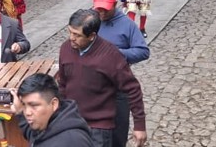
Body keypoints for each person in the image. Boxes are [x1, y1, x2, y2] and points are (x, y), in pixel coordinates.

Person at [57, 9, 148, 147]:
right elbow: (63, 84)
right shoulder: (65, 48)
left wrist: (139, 125)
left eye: (77, 35)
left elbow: (132, 89)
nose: (71, 38)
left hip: (98, 128)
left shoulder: (110, 55)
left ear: (92, 36)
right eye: (70, 32)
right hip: (72, 122)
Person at [92, 0, 150, 147]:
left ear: (115, 4)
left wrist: (117, 54)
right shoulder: (91, 20)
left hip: (118, 89)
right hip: (94, 88)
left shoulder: (127, 25)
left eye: (106, 9)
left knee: (117, 136)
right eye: (99, 9)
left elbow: (143, 51)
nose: (102, 13)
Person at [9, 73, 93, 146]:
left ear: (54, 104)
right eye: (24, 104)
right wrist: (19, 111)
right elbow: (33, 135)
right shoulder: (47, 124)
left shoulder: (72, 141)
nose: (27, 112)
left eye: (34, 105)